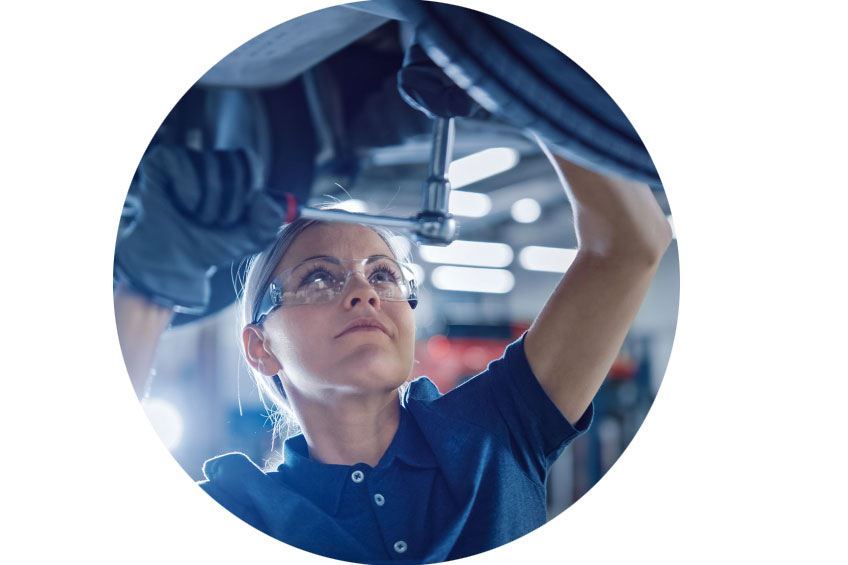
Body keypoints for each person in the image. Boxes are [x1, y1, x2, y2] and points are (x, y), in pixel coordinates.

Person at [114, 143, 672, 563]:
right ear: (261, 349)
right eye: (318, 278)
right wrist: (151, 285)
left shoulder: (497, 428)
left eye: (382, 273)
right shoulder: (241, 515)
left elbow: (632, 243)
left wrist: (520, 79)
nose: (364, 292)